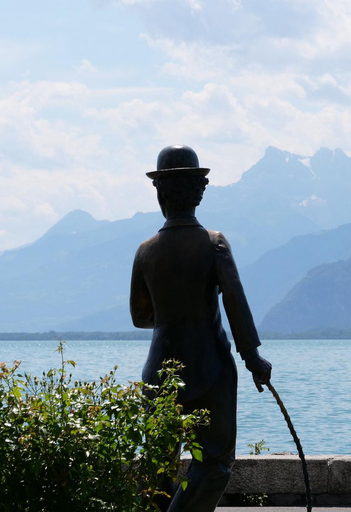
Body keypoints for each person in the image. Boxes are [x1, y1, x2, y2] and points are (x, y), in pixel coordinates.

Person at [130, 145, 272, 512]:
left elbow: (140, 317)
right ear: (198, 191)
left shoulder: (145, 251)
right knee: (214, 462)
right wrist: (252, 355)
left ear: (161, 192)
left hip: (158, 372)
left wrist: (169, 316)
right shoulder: (213, 243)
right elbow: (235, 302)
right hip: (211, 370)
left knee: (158, 468)